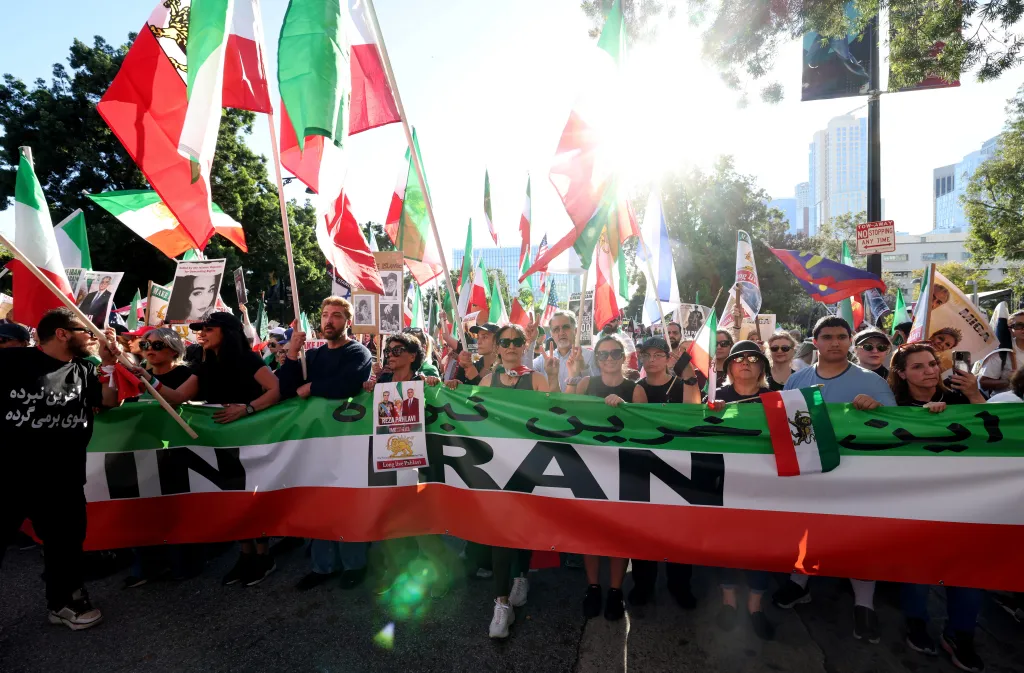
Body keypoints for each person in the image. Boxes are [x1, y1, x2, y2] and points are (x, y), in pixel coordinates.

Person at [772, 316, 896, 643]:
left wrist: (876, 412)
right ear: (816, 342)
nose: (835, 342)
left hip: (857, 477)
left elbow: (896, 430)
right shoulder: (797, 380)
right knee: (806, 531)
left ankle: (864, 605)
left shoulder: (872, 382)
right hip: (809, 475)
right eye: (827, 337)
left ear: (850, 340)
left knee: (858, 538)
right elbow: (783, 426)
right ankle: (798, 585)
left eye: (842, 336)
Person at [134, 312, 281, 587]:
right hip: (219, 442)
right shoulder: (204, 364)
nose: (202, 333)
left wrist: (246, 409)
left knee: (251, 496)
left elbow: (275, 388)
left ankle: (264, 556)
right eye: (200, 329)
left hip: (250, 437)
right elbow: (178, 397)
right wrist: (147, 379)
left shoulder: (249, 359)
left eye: (208, 328)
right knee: (232, 497)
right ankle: (245, 554)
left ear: (226, 332)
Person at [1, 307, 126, 629]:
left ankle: (63, 603)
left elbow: (111, 401)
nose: (93, 336)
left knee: (65, 545)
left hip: (63, 477)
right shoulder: (13, 361)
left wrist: (110, 366)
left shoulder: (85, 370)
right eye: (86, 329)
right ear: (61, 333)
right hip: (9, 475)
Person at [883, 343, 986, 671]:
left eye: (932, 364)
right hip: (913, 504)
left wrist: (974, 396)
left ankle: (961, 634)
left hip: (964, 501)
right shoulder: (893, 406)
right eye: (918, 366)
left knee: (967, 573)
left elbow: (995, 429)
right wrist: (866, 407)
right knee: (917, 571)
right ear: (901, 373)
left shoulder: (959, 398)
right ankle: (916, 623)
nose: (929, 370)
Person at [276, 297, 375, 592]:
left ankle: (355, 563)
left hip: (347, 441)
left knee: (347, 503)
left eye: (336, 315)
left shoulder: (358, 351)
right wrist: (293, 353)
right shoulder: (314, 355)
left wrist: (314, 388)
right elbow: (286, 387)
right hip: (316, 441)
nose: (328, 321)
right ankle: (323, 565)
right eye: (324, 315)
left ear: (348, 321)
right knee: (318, 501)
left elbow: (348, 384)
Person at [362, 333, 455, 598]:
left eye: (397, 350)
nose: (390, 354)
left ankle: (440, 573)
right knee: (392, 521)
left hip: (417, 464)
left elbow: (447, 405)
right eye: (388, 350)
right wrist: (368, 385)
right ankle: (394, 571)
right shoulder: (379, 383)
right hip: (385, 462)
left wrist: (443, 385)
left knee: (420, 523)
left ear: (413, 356)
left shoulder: (423, 383)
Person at [478, 324, 554, 639]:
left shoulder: (536, 379)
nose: (510, 346)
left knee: (522, 527)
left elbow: (555, 416)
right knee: (499, 531)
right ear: (497, 347)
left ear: (524, 345)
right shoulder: (486, 380)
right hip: (497, 466)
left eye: (516, 341)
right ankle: (501, 603)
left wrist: (556, 378)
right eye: (505, 341)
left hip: (530, 465)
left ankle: (521, 575)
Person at [567, 333, 647, 621]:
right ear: (596, 358)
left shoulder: (635, 390)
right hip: (588, 467)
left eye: (615, 353)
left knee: (617, 534)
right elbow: (569, 415)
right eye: (603, 354)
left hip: (623, 470)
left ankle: (615, 590)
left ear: (623, 358)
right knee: (589, 533)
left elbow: (645, 433)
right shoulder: (587, 384)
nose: (609, 359)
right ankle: (593, 586)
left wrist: (624, 409)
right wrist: (573, 376)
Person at [704, 341, 775, 640]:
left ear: (762, 366)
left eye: (752, 358)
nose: (745, 363)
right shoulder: (715, 398)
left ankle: (755, 605)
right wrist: (710, 413)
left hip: (767, 486)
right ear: (729, 366)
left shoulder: (778, 399)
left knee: (762, 545)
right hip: (725, 484)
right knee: (726, 542)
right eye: (738, 358)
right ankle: (728, 600)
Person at [629, 337, 699, 612]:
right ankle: (643, 585)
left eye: (659, 354)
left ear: (669, 358)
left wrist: (688, 373)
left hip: (681, 465)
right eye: (647, 355)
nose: (653, 360)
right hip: (647, 464)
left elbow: (692, 413)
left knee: (681, 531)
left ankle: (680, 584)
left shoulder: (683, 385)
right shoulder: (638, 388)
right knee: (644, 529)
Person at [532, 310, 596, 392]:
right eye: (556, 329)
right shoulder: (545, 359)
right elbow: (524, 374)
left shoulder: (590, 356)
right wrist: (530, 342)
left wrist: (584, 369)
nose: (561, 332)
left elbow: (597, 389)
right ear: (552, 334)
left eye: (566, 327)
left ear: (576, 331)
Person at [980, 309, 1024, 394]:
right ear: (1011, 329)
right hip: (1006, 403)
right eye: (1019, 325)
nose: (1023, 329)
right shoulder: (1002, 351)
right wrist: (1010, 381)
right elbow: (983, 383)